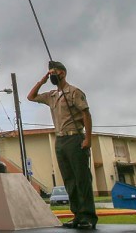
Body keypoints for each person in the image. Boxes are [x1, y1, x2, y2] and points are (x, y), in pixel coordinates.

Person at [27, 61, 96, 230]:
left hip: (75, 137)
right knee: (69, 180)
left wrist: (88, 138)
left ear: (63, 73)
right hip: (60, 140)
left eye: (54, 72)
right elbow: (31, 97)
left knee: (82, 179)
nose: (51, 76)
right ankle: (78, 216)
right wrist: (42, 80)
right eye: (49, 73)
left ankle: (88, 216)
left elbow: (86, 114)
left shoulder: (74, 92)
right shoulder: (51, 95)